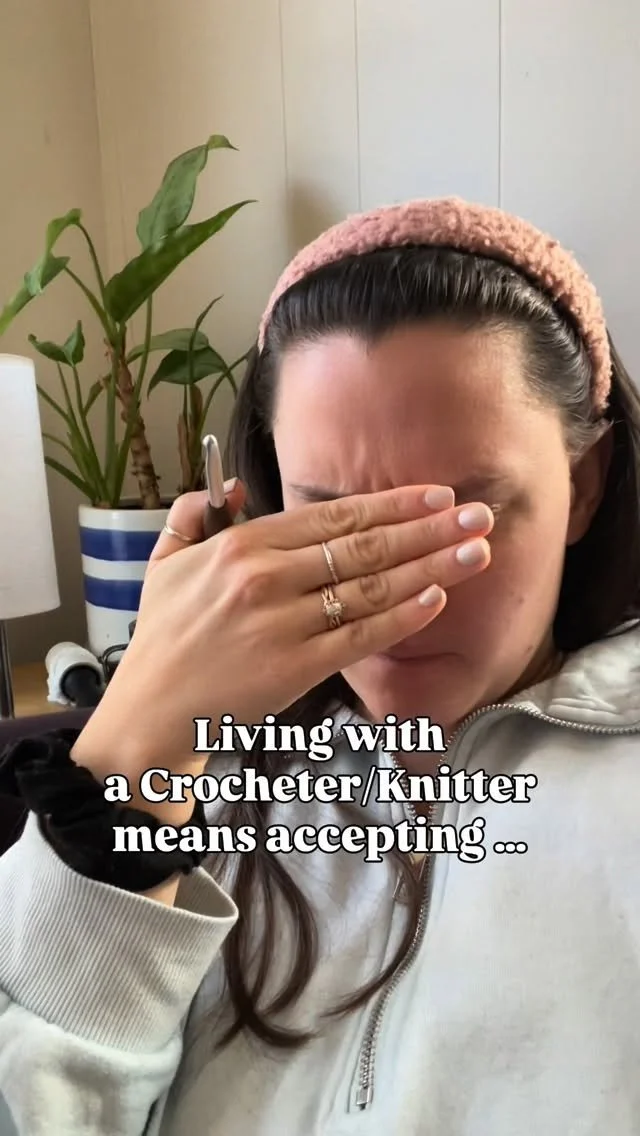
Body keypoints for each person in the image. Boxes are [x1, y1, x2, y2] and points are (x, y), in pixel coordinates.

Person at [1, 196, 639, 1136]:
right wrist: (132, 766)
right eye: (328, 517)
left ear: (583, 485)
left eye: (461, 519)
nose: (396, 598)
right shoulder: (211, 768)